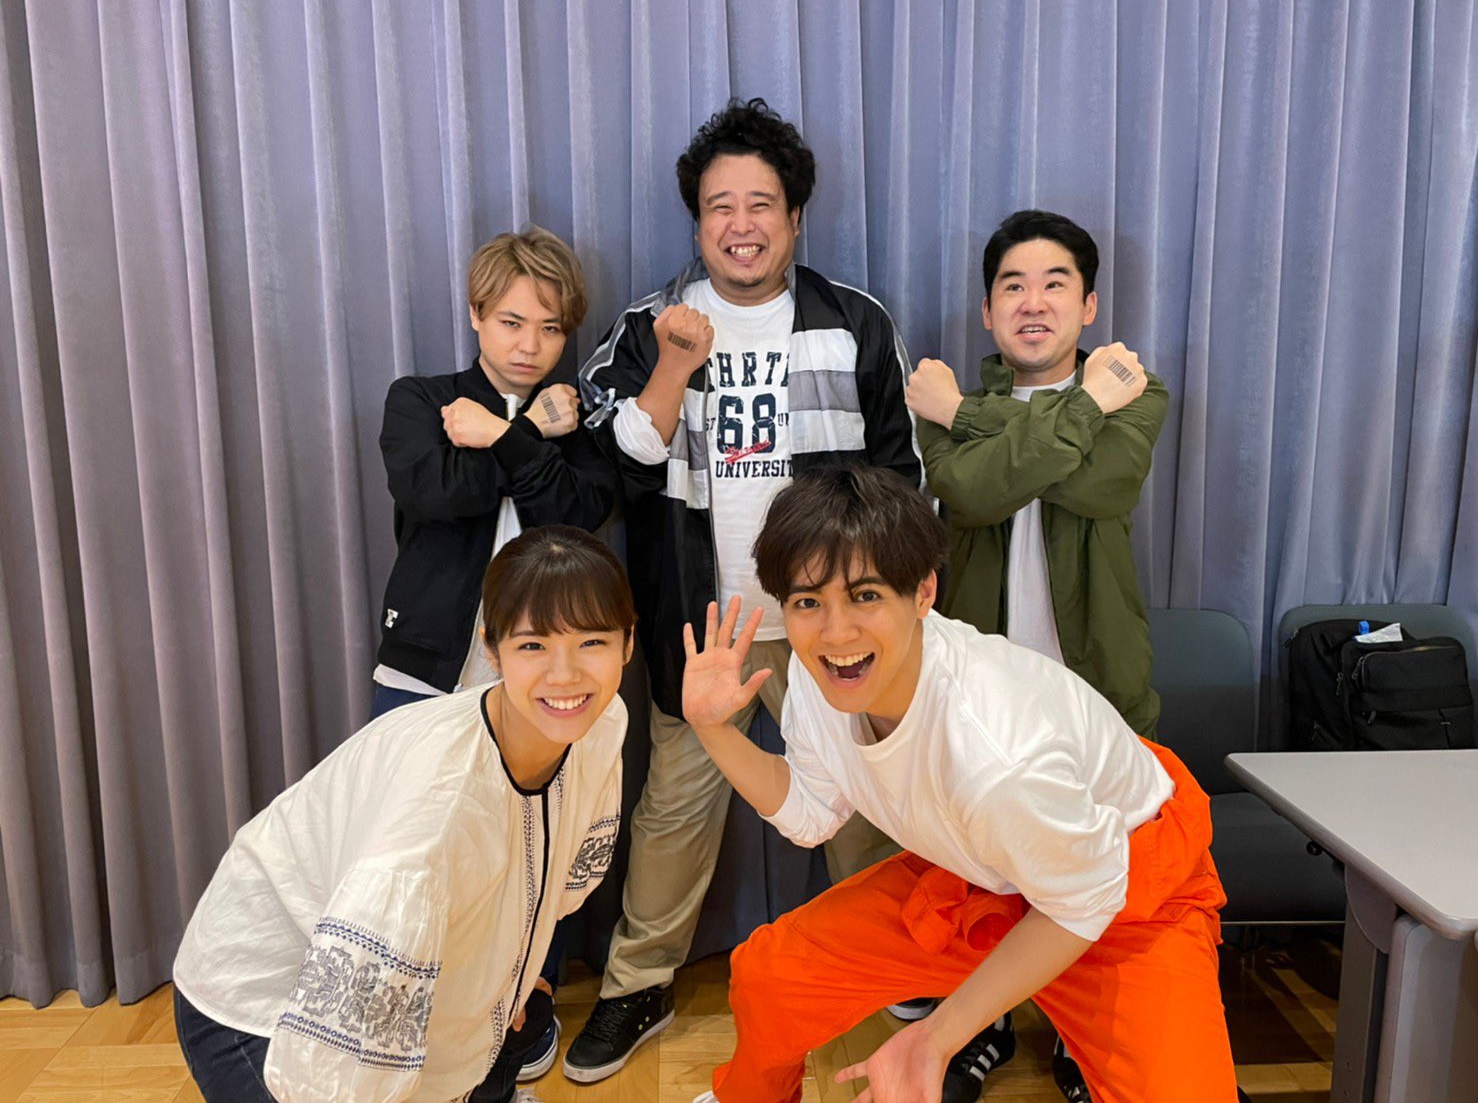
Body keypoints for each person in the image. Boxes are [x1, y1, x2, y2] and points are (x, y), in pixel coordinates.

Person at [683, 465, 1237, 1103]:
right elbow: (812, 812)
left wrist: (938, 1036)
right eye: (809, 602)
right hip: (994, 871)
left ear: (923, 592)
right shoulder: (824, 673)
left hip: (1121, 890)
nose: (836, 633)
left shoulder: (996, 751)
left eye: (865, 596)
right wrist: (714, 732)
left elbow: (1084, 899)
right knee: (771, 975)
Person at [566, 98, 920, 1080]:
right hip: (701, 619)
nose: (741, 223)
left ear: (794, 218)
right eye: (720, 205)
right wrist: (675, 365)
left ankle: (890, 961)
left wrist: (877, 605)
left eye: (761, 203)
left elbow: (901, 474)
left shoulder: (853, 321)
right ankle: (637, 984)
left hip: (831, 624)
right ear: (696, 224)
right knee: (674, 810)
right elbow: (613, 465)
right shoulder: (648, 327)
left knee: (866, 797)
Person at [173, 527, 635, 1102]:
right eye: (533, 646)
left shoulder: (603, 722)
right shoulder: (438, 804)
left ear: (628, 643)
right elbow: (341, 1073)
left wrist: (511, 976)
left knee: (505, 1024)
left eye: (592, 642)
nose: (565, 675)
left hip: (379, 963)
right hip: (263, 997)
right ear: (491, 650)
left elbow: (547, 875)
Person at [906, 209, 1169, 1099]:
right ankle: (975, 1028)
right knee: (977, 868)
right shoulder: (943, 395)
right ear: (987, 311)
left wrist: (969, 417)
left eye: (1056, 283)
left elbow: (1103, 486)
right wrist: (1079, 408)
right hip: (978, 685)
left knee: (1096, 870)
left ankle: (1077, 1035)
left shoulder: (1137, 388)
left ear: (1088, 305)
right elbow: (972, 494)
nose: (1033, 302)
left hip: (1094, 682)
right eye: (1012, 286)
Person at [373, 225, 615, 719]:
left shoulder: (573, 419)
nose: (530, 345)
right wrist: (528, 429)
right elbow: (435, 495)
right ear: (476, 314)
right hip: (425, 670)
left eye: (550, 328)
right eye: (511, 322)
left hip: (548, 679)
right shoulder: (421, 400)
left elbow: (578, 515)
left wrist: (503, 436)